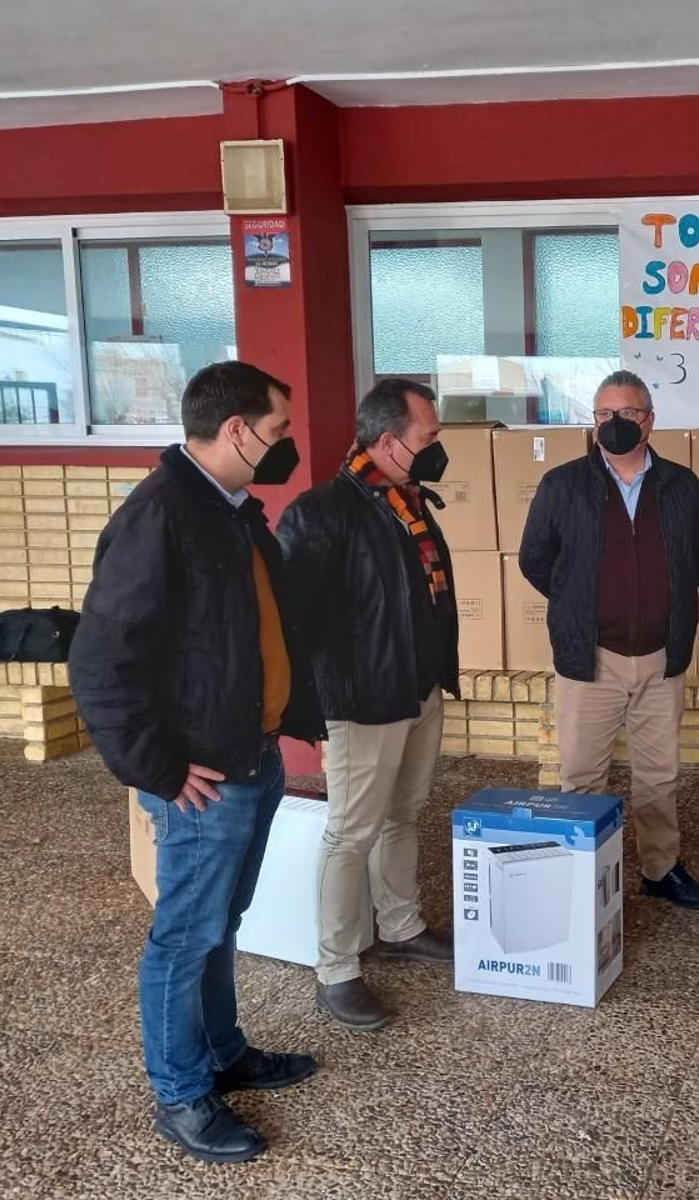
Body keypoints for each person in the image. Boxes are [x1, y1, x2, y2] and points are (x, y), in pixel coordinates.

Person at [69, 361, 325, 1165]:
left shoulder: (232, 510)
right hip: (202, 781)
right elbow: (100, 663)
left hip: (252, 758)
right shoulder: (161, 515)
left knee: (222, 926)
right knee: (184, 938)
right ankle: (181, 1093)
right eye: (279, 430)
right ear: (239, 430)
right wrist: (160, 771)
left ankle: (223, 1053)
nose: (286, 445)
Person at [276, 378, 459, 1032]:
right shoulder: (321, 513)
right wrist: (316, 712)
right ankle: (337, 968)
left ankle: (402, 927)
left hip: (419, 689)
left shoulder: (406, 502)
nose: (438, 448)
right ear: (387, 442)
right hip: (362, 701)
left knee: (403, 814)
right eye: (428, 437)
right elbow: (295, 623)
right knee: (351, 832)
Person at [519, 369, 699, 909]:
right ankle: (580, 876)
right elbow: (535, 560)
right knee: (581, 775)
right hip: (591, 658)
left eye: (625, 414)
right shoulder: (563, 484)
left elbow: (697, 555)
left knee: (660, 776)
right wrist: (578, 602)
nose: (613, 424)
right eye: (603, 414)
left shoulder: (682, 485)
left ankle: (661, 868)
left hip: (660, 655)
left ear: (648, 421)